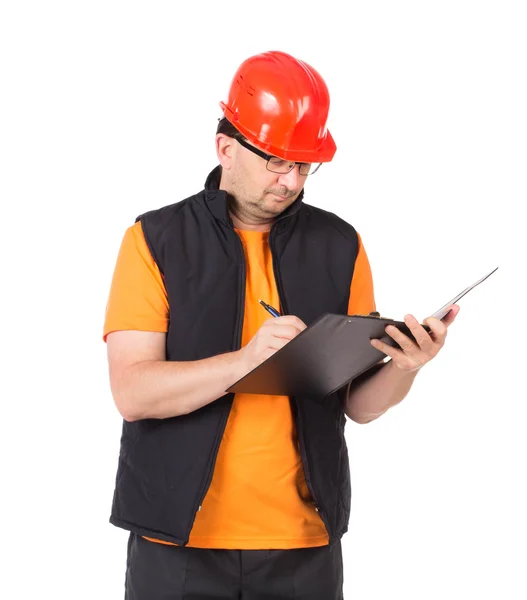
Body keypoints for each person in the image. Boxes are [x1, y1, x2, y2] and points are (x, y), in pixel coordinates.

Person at [103, 50, 459, 600]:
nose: (291, 180)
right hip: (176, 547)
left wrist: (407, 367)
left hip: (305, 546)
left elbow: (358, 406)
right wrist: (247, 361)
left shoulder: (341, 247)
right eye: (276, 161)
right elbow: (132, 392)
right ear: (225, 147)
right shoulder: (153, 241)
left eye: (305, 165)